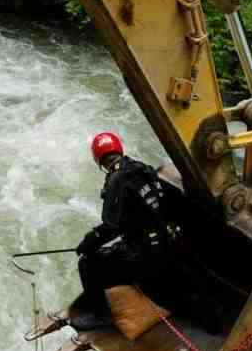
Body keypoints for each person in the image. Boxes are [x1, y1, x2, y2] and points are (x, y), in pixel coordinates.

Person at [71, 132, 182, 331]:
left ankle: (101, 315)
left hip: (146, 260)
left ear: (99, 160)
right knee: (120, 247)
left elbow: (110, 228)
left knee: (87, 263)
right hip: (168, 246)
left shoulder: (116, 182)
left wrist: (87, 243)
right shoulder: (143, 169)